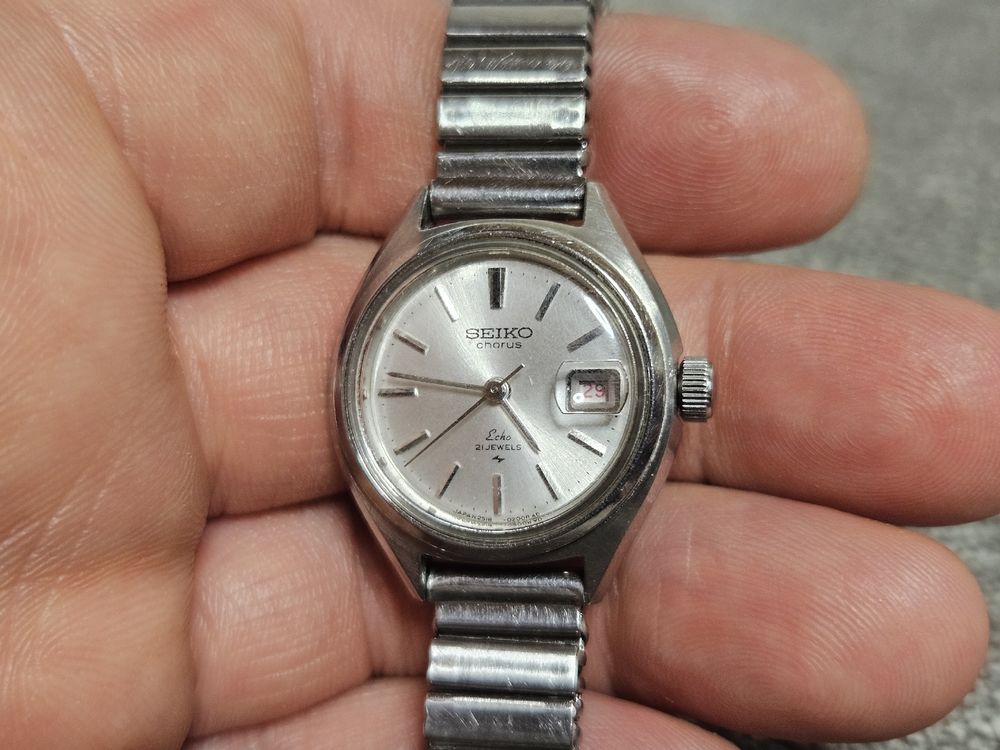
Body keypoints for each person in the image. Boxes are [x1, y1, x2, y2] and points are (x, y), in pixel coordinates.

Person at [1, 0, 997, 747]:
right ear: (677, 386)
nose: (491, 387)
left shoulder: (551, 289)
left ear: (674, 392)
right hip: (435, 515)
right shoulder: (444, 268)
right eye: (482, 381)